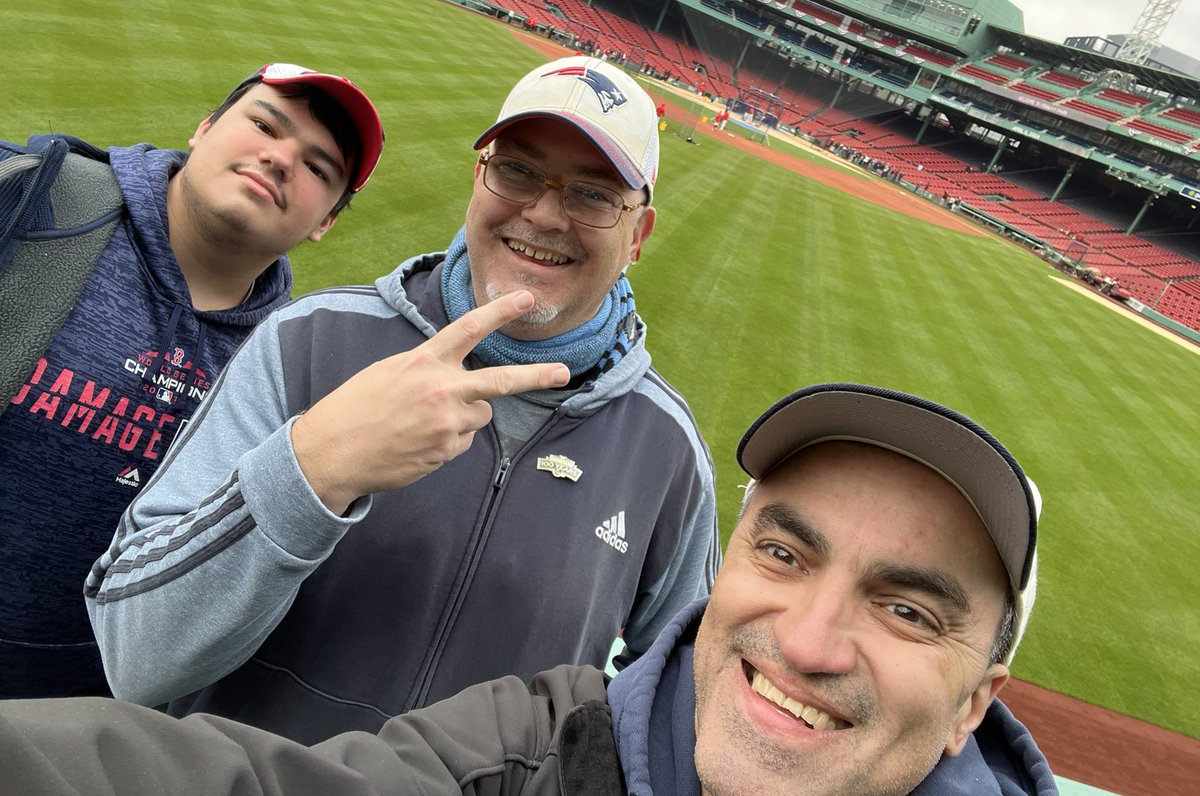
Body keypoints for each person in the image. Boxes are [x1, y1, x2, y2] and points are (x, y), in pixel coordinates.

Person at [86, 55, 720, 744]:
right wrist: (316, 470)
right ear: (477, 179)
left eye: (593, 194)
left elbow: (686, 715)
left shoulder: (668, 451)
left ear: (638, 237)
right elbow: (135, 656)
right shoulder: (310, 341)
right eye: (515, 170)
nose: (542, 212)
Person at [0, 383, 1054, 794]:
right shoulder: (528, 750)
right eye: (784, 554)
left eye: (907, 609)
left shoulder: (663, 445)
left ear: (977, 702)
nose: (811, 639)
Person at [0, 62, 386, 699]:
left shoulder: (294, 362)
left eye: (319, 169)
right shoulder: (39, 198)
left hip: (87, 731)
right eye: (264, 124)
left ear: (327, 223)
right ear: (204, 130)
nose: (280, 158)